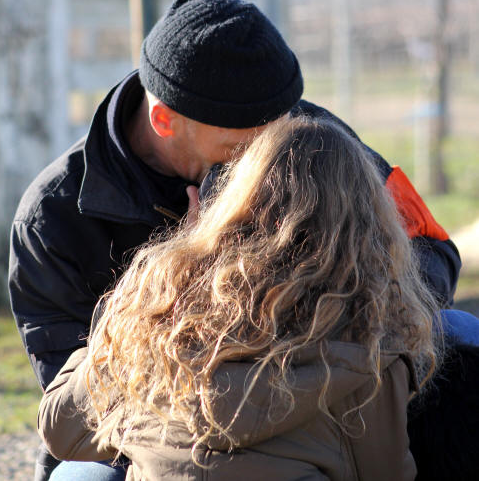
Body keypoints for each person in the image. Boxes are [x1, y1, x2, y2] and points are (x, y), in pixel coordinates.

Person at [8, 0, 460, 480]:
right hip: (154, 436)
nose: (266, 158)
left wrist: (340, 312)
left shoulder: (310, 137)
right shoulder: (51, 218)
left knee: (461, 336)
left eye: (277, 136)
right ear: (164, 120)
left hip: (320, 401)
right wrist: (180, 283)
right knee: (81, 476)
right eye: (241, 149)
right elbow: (74, 409)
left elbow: (430, 249)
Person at [37, 115, 441, 480]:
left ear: (231, 205)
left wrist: (175, 269)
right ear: (370, 227)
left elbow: (62, 429)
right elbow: (384, 472)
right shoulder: (370, 342)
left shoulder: (160, 308)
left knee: (80, 476)